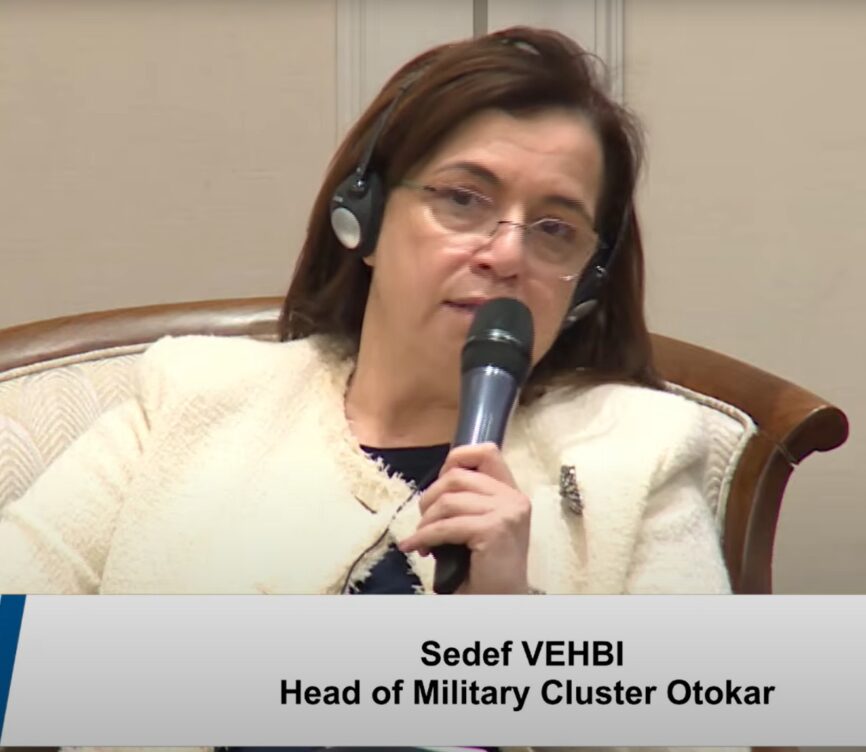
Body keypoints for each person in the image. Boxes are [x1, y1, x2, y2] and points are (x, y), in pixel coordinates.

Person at [0, 26, 731, 599]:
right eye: (463, 198)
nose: (507, 253)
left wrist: (511, 636)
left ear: (587, 283)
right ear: (365, 220)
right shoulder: (190, 397)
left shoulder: (640, 452)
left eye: (554, 229)